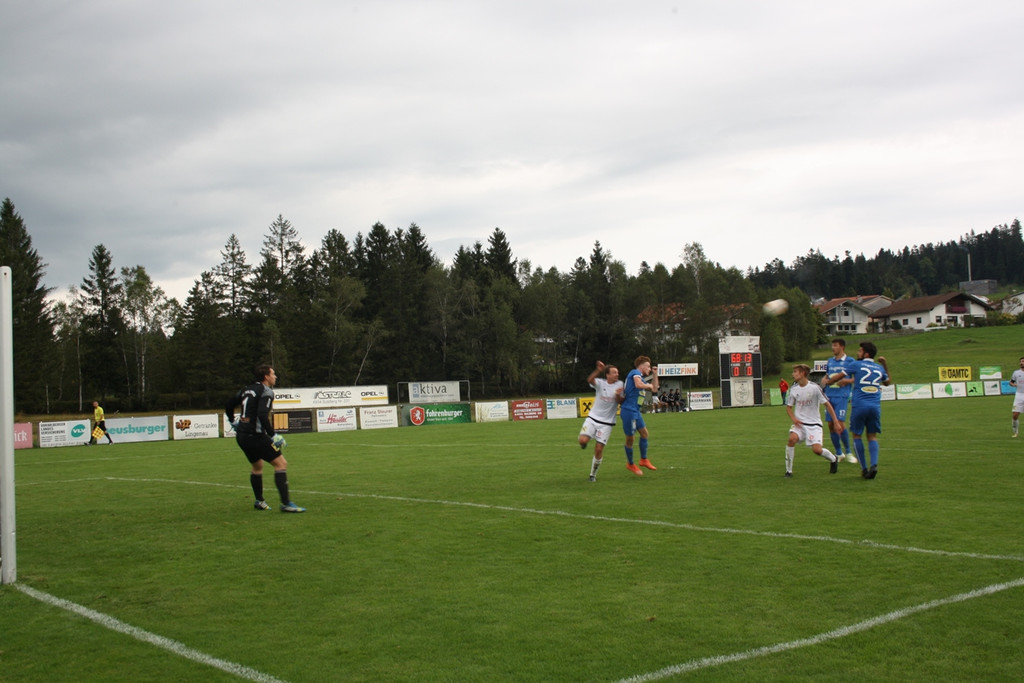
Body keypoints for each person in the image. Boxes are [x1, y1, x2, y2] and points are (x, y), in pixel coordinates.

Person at [225, 365, 305, 512]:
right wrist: (273, 435)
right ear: (266, 377)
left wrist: (232, 421)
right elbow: (262, 415)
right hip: (255, 436)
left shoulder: (246, 389)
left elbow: (229, 404)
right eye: (273, 374)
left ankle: (259, 501)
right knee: (281, 464)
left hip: (242, 436)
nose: (275, 377)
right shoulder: (266, 391)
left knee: (257, 466)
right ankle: (286, 503)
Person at [829, 341, 891, 479]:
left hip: (859, 406)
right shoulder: (878, 368)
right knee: (872, 436)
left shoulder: (856, 365)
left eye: (860, 351)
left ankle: (864, 468)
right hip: (875, 407)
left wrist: (827, 382)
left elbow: (839, 377)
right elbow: (887, 382)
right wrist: (884, 364)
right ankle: (874, 465)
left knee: (857, 436)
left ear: (866, 354)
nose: (857, 353)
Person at [784, 364, 842, 477]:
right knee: (791, 439)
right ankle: (788, 471)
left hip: (814, 424)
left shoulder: (815, 388)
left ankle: (833, 459)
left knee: (817, 450)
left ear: (802, 374)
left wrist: (835, 421)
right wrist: (794, 419)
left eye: (795, 372)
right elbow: (789, 408)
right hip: (800, 424)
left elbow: (827, 404)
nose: (793, 374)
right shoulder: (793, 389)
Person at [578, 361, 625, 481]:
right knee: (582, 440)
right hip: (593, 418)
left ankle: (592, 474)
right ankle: (585, 442)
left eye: (617, 373)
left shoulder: (620, 384)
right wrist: (598, 370)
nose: (617, 375)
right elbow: (590, 380)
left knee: (599, 448)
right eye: (614, 373)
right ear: (607, 375)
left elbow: (621, 402)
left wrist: (618, 396)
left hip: (607, 423)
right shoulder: (600, 383)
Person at [620, 355, 659, 476]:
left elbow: (655, 389)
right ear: (641, 366)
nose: (649, 368)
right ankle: (630, 464)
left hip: (635, 411)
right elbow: (638, 385)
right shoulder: (635, 372)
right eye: (647, 366)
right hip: (628, 410)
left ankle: (643, 459)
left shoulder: (641, 378)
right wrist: (648, 385)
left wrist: (655, 374)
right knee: (630, 439)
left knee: (644, 434)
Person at [821, 338, 857, 464]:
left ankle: (848, 452)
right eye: (832, 345)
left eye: (835, 345)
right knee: (831, 425)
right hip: (829, 395)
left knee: (840, 424)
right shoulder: (830, 361)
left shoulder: (850, 361)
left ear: (842, 347)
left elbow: (857, 378)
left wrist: (847, 381)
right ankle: (839, 453)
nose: (833, 348)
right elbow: (827, 375)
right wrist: (824, 380)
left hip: (842, 395)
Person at [1011, 356, 1024, 438]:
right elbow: (1011, 382)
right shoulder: (1016, 373)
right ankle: (1016, 432)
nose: (1022, 363)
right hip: (1019, 395)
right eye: (1021, 361)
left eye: (1023, 361)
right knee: (1015, 415)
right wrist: (1014, 384)